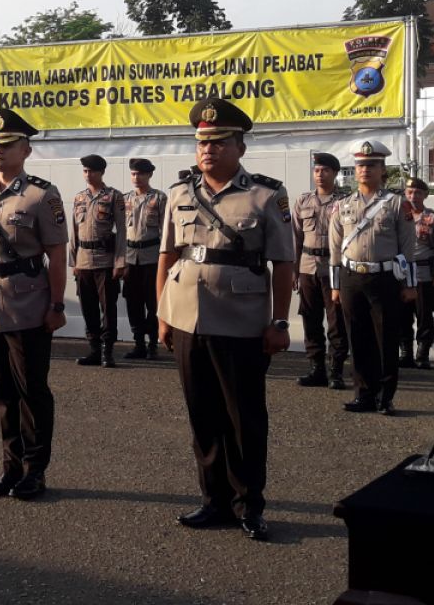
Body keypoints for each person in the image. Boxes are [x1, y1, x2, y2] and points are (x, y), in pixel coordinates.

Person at [158, 98, 294, 542]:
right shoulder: (179, 193)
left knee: (244, 419)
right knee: (203, 416)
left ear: (239, 146)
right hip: (187, 321)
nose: (207, 150)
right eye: (201, 142)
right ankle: (213, 501)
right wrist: (163, 313)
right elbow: (168, 254)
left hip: (241, 322)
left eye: (217, 142)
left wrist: (279, 322)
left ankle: (249, 505)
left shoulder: (266, 194)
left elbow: (283, 263)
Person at [0, 108, 68, 501]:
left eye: (6, 144)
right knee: (2, 392)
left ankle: (35, 469)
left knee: (31, 391)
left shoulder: (42, 195)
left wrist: (57, 305)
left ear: (25, 149)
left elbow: (57, 255)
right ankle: (10, 467)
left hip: (27, 303)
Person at [328, 140, 417, 415]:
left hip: (385, 279)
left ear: (382, 170)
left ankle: (385, 396)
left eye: (371, 165)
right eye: (360, 165)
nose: (364, 170)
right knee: (358, 338)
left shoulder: (397, 204)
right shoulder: (342, 206)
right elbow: (334, 248)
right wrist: (335, 286)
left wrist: (410, 285)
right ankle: (363, 394)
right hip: (351, 277)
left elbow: (408, 247)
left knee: (386, 339)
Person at [292, 152, 348, 389]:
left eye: (325, 170)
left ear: (335, 173)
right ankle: (317, 369)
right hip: (307, 266)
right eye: (316, 170)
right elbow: (294, 237)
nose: (320, 174)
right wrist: (293, 271)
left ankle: (336, 370)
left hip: (335, 269)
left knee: (337, 321)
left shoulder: (346, 200)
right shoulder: (303, 201)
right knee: (310, 319)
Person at [70, 154, 126, 368]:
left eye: (91, 170)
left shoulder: (114, 196)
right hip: (84, 260)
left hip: (105, 260)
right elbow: (74, 231)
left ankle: (107, 351)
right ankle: (94, 349)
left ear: (101, 172)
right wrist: (74, 261)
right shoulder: (79, 198)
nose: (87, 174)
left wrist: (120, 261)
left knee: (108, 308)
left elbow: (122, 231)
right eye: (85, 170)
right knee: (88, 307)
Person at [401, 177, 434, 370]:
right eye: (410, 192)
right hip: (402, 274)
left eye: (418, 193)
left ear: (425, 195)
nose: (414, 196)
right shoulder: (399, 217)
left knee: (424, 315)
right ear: (405, 193)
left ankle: (422, 354)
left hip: (424, 274)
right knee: (402, 315)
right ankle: (405, 354)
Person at [122, 158, 166, 359]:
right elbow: (120, 232)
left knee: (153, 303)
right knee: (133, 302)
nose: (136, 177)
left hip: (152, 258)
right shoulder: (124, 199)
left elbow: (166, 231)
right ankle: (138, 343)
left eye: (140, 174)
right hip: (131, 258)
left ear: (149, 175)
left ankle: (152, 345)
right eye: (133, 173)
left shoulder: (159, 198)